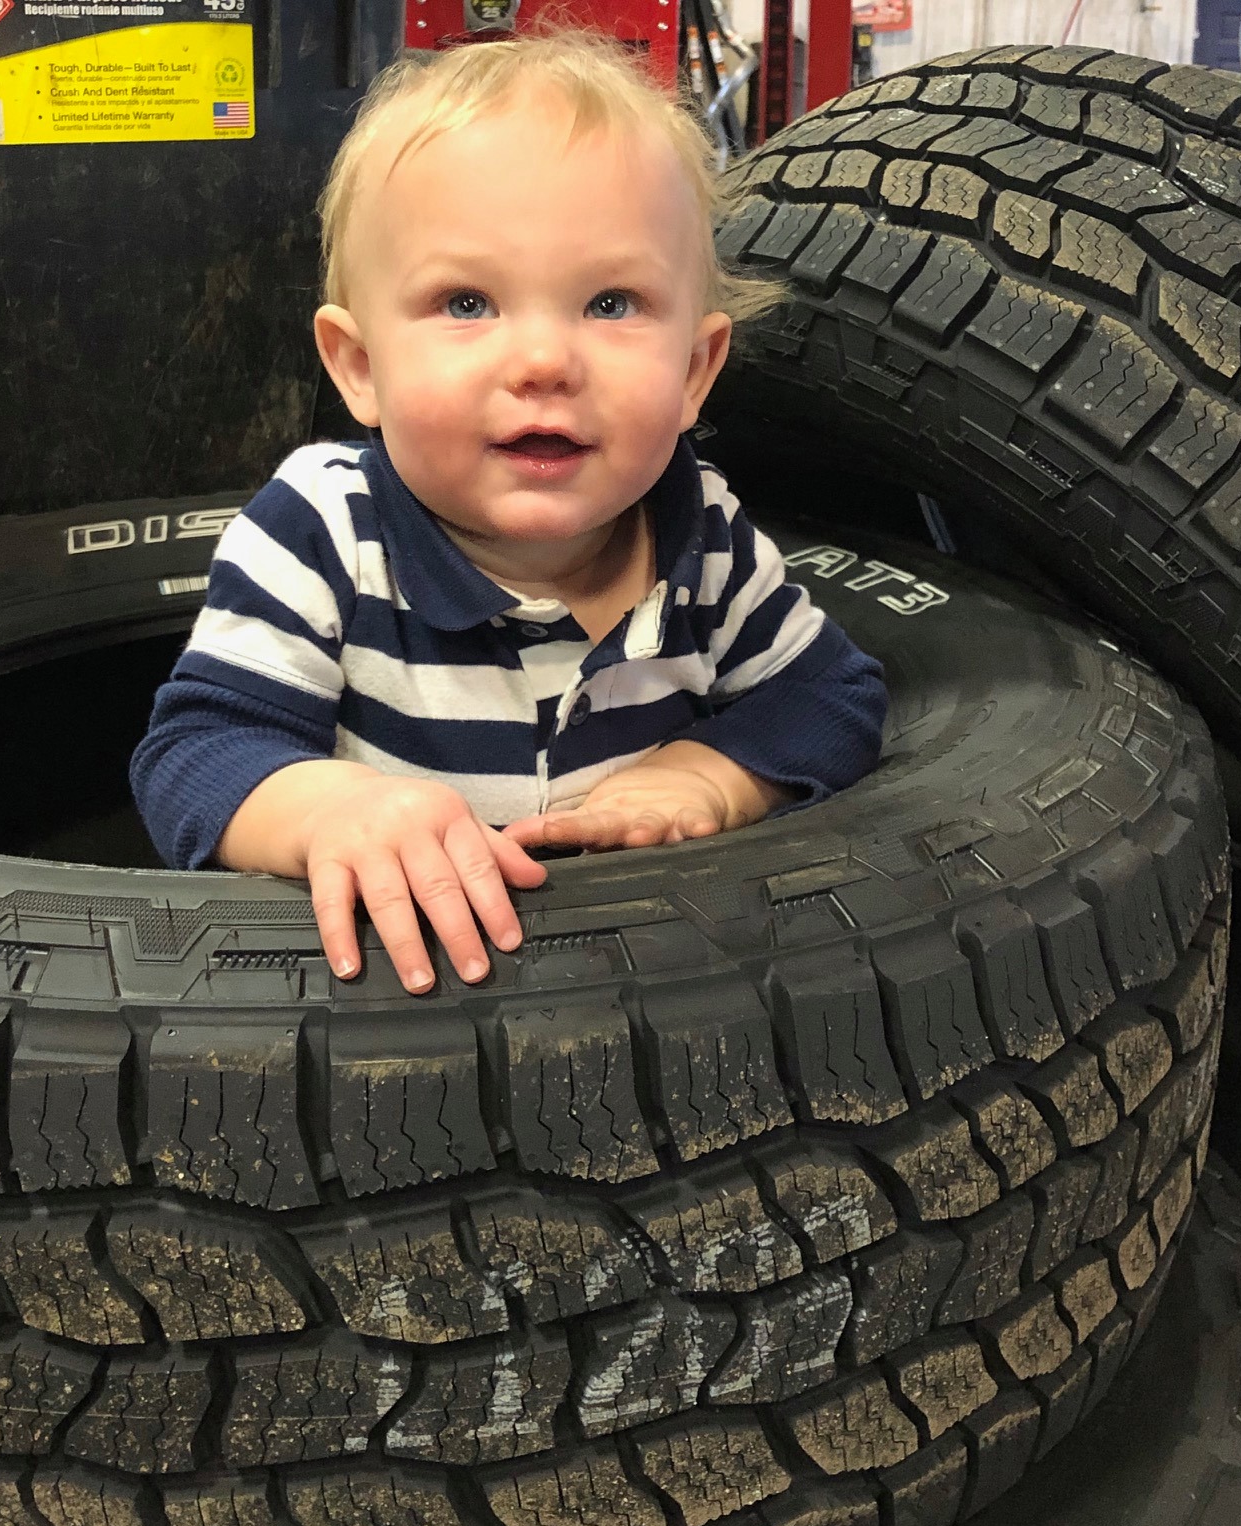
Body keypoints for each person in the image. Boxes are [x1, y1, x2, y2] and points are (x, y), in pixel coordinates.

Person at [131, 28, 887, 996]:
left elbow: (832, 697)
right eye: (466, 303)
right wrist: (331, 811)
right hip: (396, 1011)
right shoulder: (321, 532)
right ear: (359, 367)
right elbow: (195, 753)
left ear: (696, 372)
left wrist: (708, 775)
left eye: (610, 304)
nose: (543, 361)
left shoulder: (705, 540)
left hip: (654, 997)